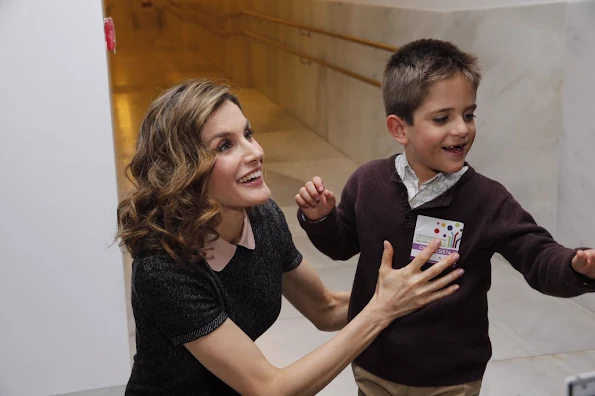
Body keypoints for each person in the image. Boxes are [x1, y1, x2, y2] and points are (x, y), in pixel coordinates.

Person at [115, 79, 465, 395]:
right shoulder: (164, 270)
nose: (255, 153)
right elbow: (269, 389)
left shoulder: (263, 218)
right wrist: (382, 309)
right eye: (225, 146)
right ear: (183, 171)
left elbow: (324, 308)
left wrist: (411, 291)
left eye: (247, 135)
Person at [296, 38, 595, 396]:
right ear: (399, 129)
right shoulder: (368, 182)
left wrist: (574, 266)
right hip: (374, 364)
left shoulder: (487, 199)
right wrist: (321, 218)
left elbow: (537, 254)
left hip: (450, 379)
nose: (461, 129)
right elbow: (341, 245)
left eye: (468, 114)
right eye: (442, 118)